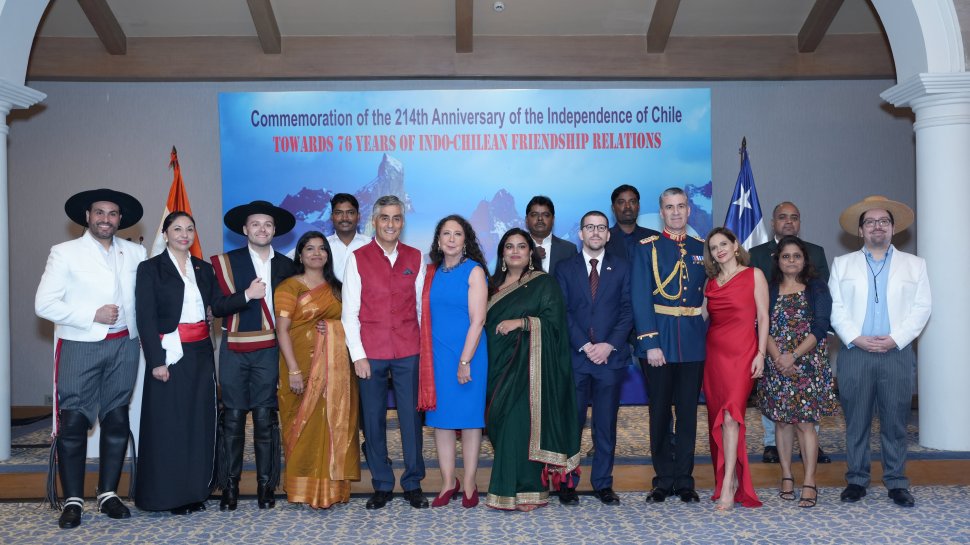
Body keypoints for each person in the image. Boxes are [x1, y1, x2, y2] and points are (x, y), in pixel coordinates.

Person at [35, 188, 146, 529]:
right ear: (87, 216)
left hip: (125, 345)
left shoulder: (136, 252)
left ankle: (108, 494)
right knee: (73, 424)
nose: (105, 219)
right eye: (99, 212)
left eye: (112, 214)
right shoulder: (65, 252)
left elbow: (147, 296)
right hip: (80, 344)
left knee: (116, 420)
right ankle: (73, 500)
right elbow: (44, 304)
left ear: (120, 219)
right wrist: (91, 315)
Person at [829, 196, 931, 508]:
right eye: (870, 222)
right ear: (860, 230)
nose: (877, 226)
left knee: (895, 421)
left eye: (883, 221)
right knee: (856, 421)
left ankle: (896, 482)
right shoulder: (842, 264)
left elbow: (922, 308)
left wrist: (895, 339)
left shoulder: (915, 265)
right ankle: (856, 480)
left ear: (893, 228)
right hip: (855, 352)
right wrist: (856, 338)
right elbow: (835, 308)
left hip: (896, 352)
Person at [134, 212, 236, 515]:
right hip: (169, 355)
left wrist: (247, 295)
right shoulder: (150, 268)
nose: (184, 234)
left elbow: (218, 306)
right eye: (177, 229)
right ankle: (168, 496)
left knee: (197, 422)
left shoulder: (204, 269)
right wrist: (156, 361)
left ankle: (194, 491)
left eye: (189, 229)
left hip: (200, 355)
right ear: (165, 234)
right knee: (169, 424)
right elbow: (145, 317)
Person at [342, 195, 428, 510]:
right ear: (374, 221)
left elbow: (420, 309)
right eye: (385, 218)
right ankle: (381, 483)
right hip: (371, 352)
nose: (391, 224)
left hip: (408, 349)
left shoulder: (415, 257)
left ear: (402, 222)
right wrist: (358, 355)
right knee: (373, 419)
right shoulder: (357, 258)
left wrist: (423, 352)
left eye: (396, 218)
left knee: (411, 419)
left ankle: (413, 482)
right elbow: (349, 313)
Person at [485, 228, 580, 511]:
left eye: (521, 246)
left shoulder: (543, 283)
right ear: (502, 254)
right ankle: (511, 488)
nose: (515, 251)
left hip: (530, 371)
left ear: (530, 253)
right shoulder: (491, 286)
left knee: (520, 427)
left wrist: (522, 323)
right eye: (509, 247)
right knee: (500, 424)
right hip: (495, 366)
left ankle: (529, 490)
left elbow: (555, 324)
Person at [210, 200, 297, 510]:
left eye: (268, 224)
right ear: (245, 229)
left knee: (265, 418)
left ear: (275, 230)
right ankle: (230, 487)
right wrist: (247, 295)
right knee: (232, 418)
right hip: (234, 349)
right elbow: (217, 307)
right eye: (256, 224)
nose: (262, 229)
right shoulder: (226, 263)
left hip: (269, 350)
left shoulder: (287, 266)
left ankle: (266, 487)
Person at [630, 187, 707, 504]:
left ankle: (685, 479)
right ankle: (663, 479)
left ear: (689, 210)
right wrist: (650, 342)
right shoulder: (647, 248)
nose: (676, 212)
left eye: (681, 206)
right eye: (669, 207)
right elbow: (639, 296)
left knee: (688, 413)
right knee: (660, 412)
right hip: (658, 341)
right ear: (661, 212)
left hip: (692, 342)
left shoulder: (702, 248)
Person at [275, 231, 360, 508]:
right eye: (309, 248)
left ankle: (333, 490)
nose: (316, 253)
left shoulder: (338, 289)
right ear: (300, 255)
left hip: (336, 370)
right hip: (299, 365)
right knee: (300, 423)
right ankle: (302, 488)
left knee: (333, 424)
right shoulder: (289, 287)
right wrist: (293, 370)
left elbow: (353, 323)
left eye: (322, 248)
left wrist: (334, 328)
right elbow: (282, 330)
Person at [554, 211, 632, 506]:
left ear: (608, 234)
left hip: (609, 360)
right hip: (576, 358)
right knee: (571, 424)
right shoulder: (565, 268)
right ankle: (567, 483)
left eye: (601, 227)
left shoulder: (622, 267)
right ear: (581, 233)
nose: (596, 232)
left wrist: (608, 345)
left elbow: (628, 310)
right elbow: (562, 311)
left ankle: (603, 483)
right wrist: (586, 345)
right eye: (590, 227)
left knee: (605, 425)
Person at [749, 201, 831, 464]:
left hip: (808, 350)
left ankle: (812, 447)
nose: (788, 222)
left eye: (794, 217)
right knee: (776, 405)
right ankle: (771, 444)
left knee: (807, 416)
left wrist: (795, 354)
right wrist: (777, 356)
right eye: (782, 217)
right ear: (773, 223)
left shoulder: (816, 252)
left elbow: (822, 301)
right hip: (773, 344)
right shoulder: (756, 253)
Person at [759, 235, 838, 508]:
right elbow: (761, 325)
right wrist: (778, 358)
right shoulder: (769, 288)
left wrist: (792, 356)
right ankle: (786, 476)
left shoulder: (816, 287)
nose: (791, 261)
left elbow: (821, 326)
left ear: (805, 259)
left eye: (797, 256)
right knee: (782, 422)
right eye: (786, 256)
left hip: (807, 365)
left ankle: (809, 481)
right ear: (778, 260)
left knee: (805, 424)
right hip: (777, 365)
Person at [417, 215, 489, 509]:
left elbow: (478, 320)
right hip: (436, 357)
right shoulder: (430, 272)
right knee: (441, 422)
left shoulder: (474, 271)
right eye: (445, 233)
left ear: (465, 240)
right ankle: (449, 482)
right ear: (438, 240)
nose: (450, 239)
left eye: (457, 234)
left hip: (469, 355)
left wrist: (465, 360)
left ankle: (469, 482)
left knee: (470, 421)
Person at [702, 226, 767, 510]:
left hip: (743, 353)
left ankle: (728, 484)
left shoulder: (754, 275)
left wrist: (761, 354)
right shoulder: (710, 284)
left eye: (723, 244)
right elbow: (699, 317)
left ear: (735, 245)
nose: (719, 250)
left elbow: (763, 317)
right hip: (714, 356)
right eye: (714, 247)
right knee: (719, 417)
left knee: (731, 416)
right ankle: (730, 478)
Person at [605, 184, 660, 260]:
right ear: (613, 208)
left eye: (632, 202)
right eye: (621, 202)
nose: (627, 206)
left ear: (638, 206)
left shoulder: (655, 238)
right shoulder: (603, 239)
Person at [525, 195, 577, 276]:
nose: (540, 218)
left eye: (546, 215)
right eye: (534, 214)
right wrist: (530, 257)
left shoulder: (569, 250)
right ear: (526, 220)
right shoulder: (515, 249)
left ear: (553, 220)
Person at [326, 193, 370, 281]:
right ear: (331, 217)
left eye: (350, 213)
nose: (345, 218)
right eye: (338, 213)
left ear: (358, 216)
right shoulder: (323, 245)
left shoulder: (370, 244)